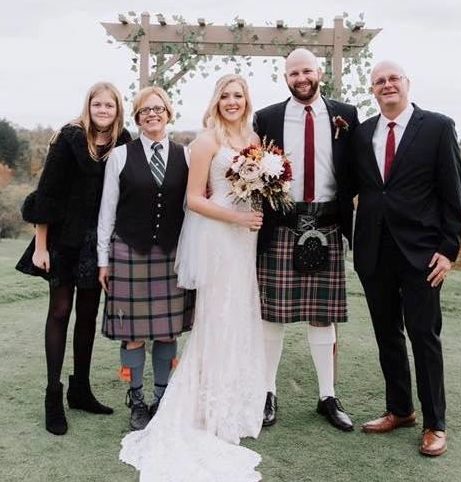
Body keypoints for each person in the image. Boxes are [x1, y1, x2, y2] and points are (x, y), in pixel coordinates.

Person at [119, 74, 266, 481]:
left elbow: (255, 188)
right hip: (220, 236)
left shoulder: (253, 138)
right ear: (216, 101)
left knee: (238, 315)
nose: (232, 102)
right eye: (226, 96)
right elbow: (194, 199)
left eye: (238, 96)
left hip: (245, 238)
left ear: (246, 100)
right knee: (216, 317)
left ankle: (234, 401)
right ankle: (204, 405)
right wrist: (237, 217)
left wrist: (259, 202)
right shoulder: (206, 141)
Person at [351, 61, 461, 456]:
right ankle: (400, 410)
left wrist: (448, 250)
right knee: (387, 334)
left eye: (393, 79)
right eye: (379, 81)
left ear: (407, 83)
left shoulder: (437, 127)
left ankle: (436, 424)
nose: (387, 85)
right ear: (373, 90)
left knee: (423, 335)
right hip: (374, 251)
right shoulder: (362, 133)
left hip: (423, 254)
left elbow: (453, 192)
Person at [15, 82, 131, 435]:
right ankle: (53, 395)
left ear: (117, 109)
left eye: (109, 105)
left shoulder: (123, 142)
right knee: (60, 311)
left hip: (98, 243)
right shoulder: (69, 138)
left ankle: (80, 389)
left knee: (88, 314)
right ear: (88, 106)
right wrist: (40, 246)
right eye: (97, 104)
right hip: (63, 240)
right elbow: (47, 194)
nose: (103, 110)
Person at [253, 48, 358, 431]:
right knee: (272, 316)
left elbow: (356, 170)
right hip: (283, 224)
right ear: (286, 78)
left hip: (328, 223)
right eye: (294, 73)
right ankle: (267, 392)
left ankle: (327, 396)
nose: (301, 78)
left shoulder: (346, 115)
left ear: (319, 73)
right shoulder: (267, 117)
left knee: (322, 315)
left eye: (307, 71)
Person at [97, 86, 195, 432]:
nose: (152, 114)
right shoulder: (120, 156)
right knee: (134, 334)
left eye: (158, 108)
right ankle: (136, 398)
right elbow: (107, 212)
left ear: (168, 113)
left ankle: (162, 397)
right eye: (144, 110)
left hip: (171, 254)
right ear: (137, 118)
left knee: (168, 333)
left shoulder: (186, 155)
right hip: (128, 252)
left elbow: (190, 209)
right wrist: (103, 260)